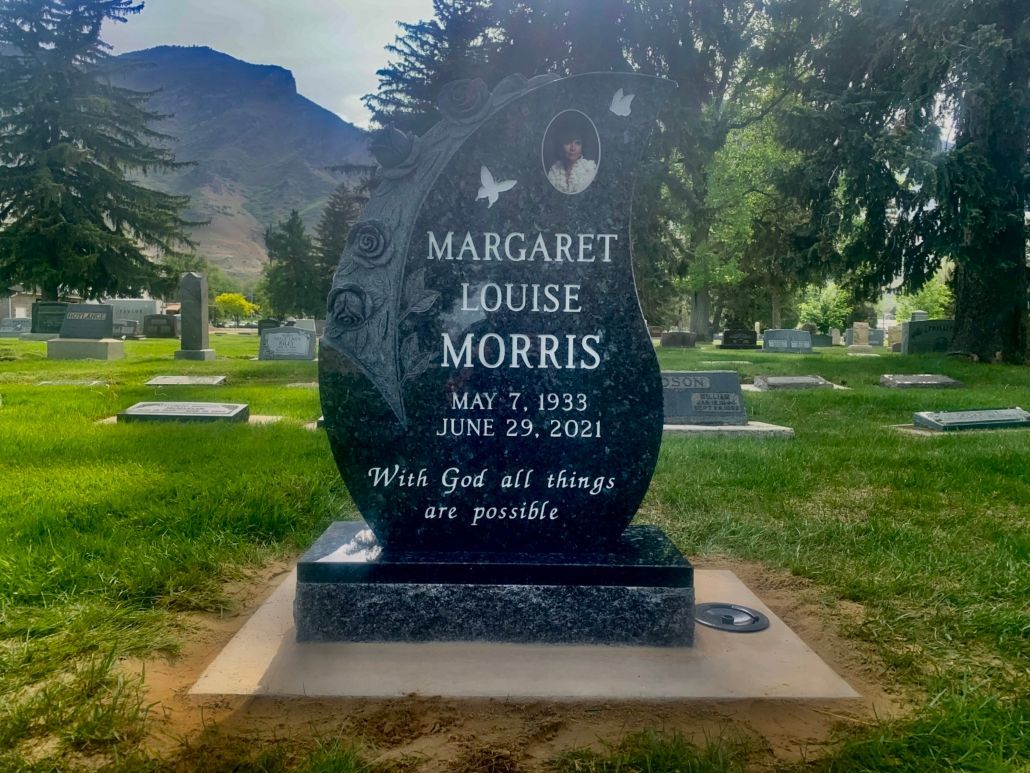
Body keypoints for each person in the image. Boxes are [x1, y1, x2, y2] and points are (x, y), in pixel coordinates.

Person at [545, 112, 598, 194]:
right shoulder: (553, 172)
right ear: (561, 145)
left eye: (578, 143)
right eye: (568, 142)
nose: (573, 148)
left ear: (582, 147)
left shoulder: (590, 170)